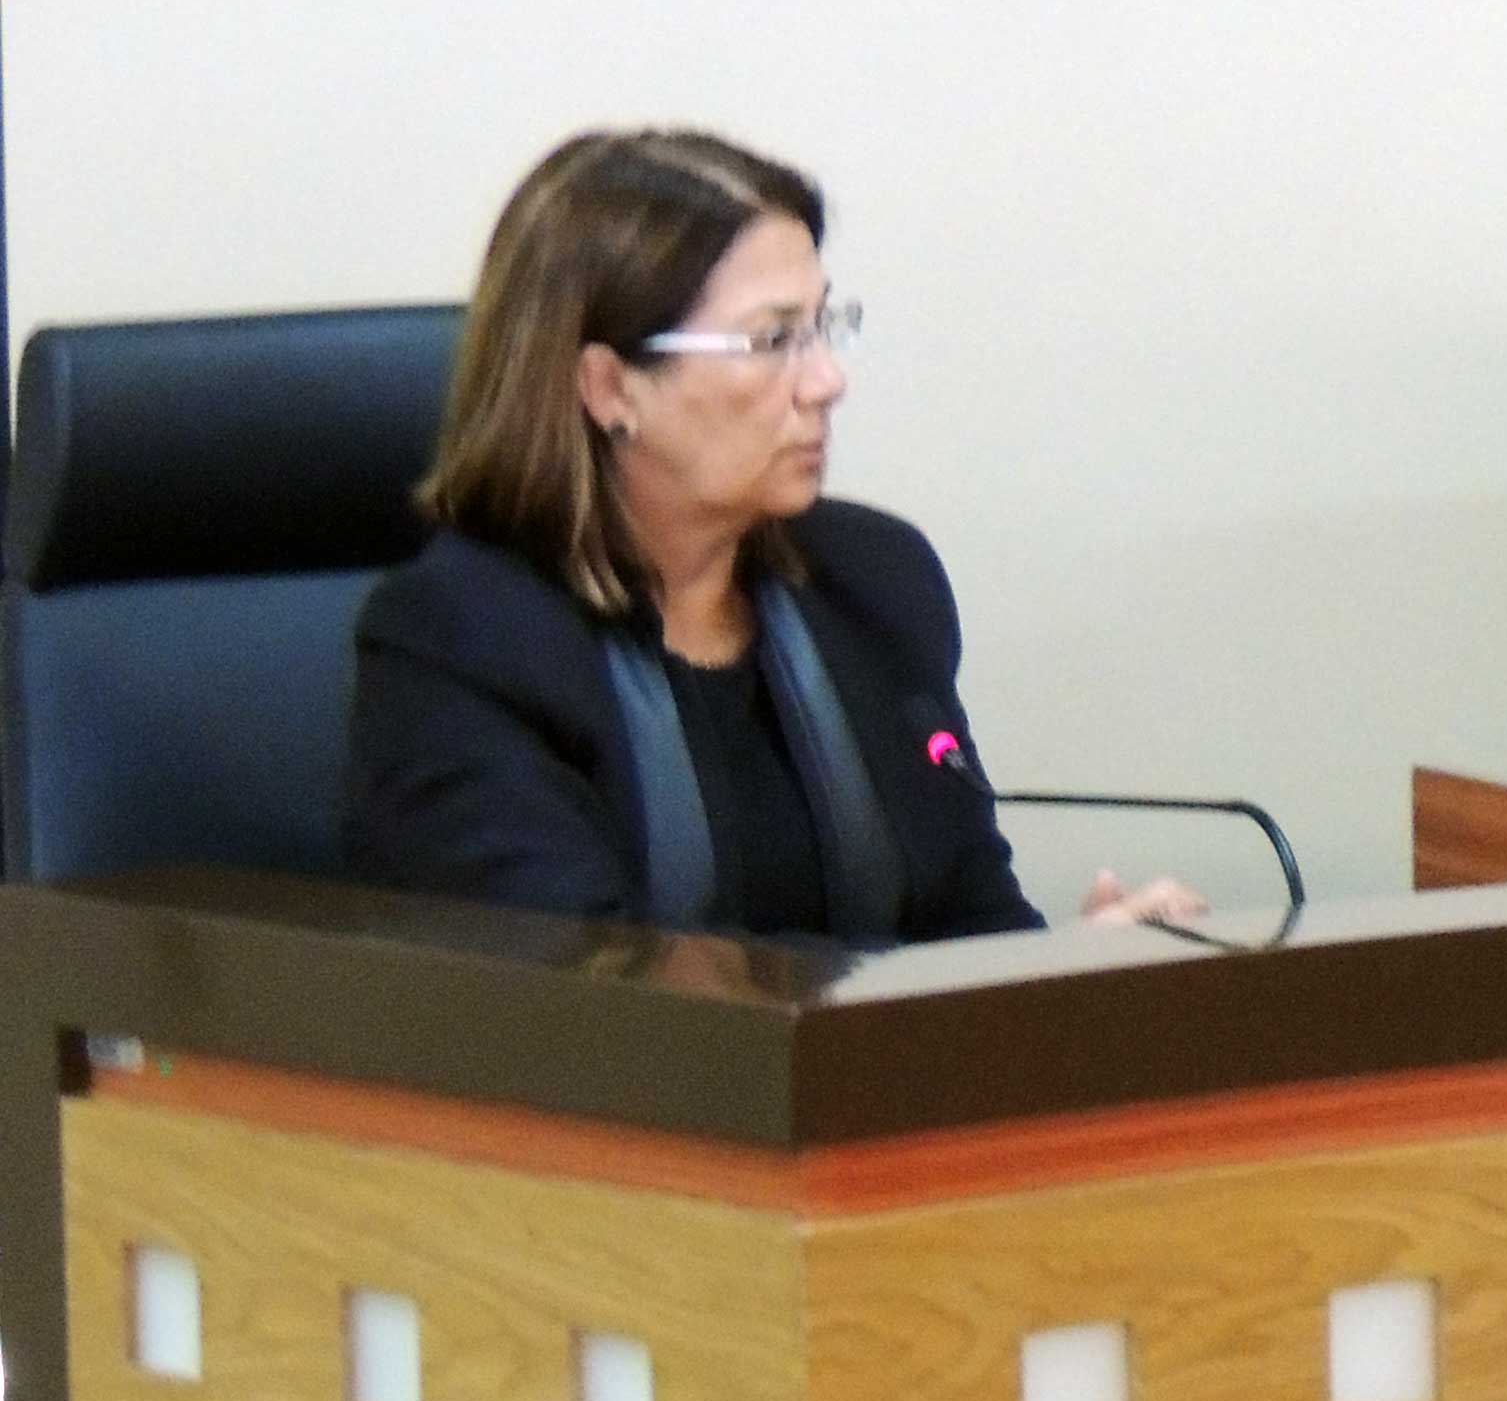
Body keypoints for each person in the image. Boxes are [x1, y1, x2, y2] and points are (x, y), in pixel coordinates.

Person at [346, 128, 1197, 943]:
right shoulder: (463, 641)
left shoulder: (873, 584)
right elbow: (588, 986)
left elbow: (965, 916)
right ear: (609, 387)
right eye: (773, 340)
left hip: (866, 1084)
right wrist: (895, 1004)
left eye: (825, 327)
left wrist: (1068, 974)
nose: (828, 380)